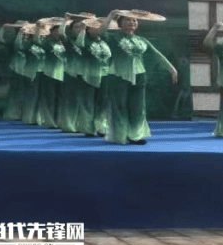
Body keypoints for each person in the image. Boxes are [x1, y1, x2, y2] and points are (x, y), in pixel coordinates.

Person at [101, 10, 178, 145]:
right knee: (119, 106)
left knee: (137, 107)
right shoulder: (113, 38)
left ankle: (135, 135)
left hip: (139, 76)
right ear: (120, 23)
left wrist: (171, 68)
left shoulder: (142, 40)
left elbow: (157, 54)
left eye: (134, 20)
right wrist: (111, 16)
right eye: (128, 20)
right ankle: (120, 135)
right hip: (118, 76)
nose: (132, 22)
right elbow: (101, 32)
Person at [72, 17, 111, 136]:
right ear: (88, 30)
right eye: (95, 27)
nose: (98, 29)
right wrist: (83, 29)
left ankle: (101, 127)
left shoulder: (104, 41)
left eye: (100, 27)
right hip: (87, 76)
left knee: (103, 103)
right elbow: (79, 44)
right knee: (88, 103)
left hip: (104, 75)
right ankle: (89, 128)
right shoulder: (84, 41)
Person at [34, 20, 68, 129]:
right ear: (51, 32)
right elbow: (36, 41)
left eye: (59, 31)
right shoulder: (47, 43)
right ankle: (49, 121)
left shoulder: (64, 43)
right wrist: (38, 28)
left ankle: (59, 121)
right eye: (56, 31)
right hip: (49, 73)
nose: (58, 33)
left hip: (62, 74)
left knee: (60, 98)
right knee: (50, 98)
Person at [0, 22, 31, 121]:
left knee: (27, 92)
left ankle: (25, 113)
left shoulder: (30, 41)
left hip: (28, 70)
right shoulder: (13, 41)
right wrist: (3, 28)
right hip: (16, 69)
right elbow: (0, 39)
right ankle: (13, 113)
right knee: (15, 91)